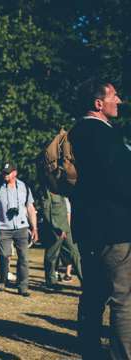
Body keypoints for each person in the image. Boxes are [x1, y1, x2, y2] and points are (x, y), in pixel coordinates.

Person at [69, 81, 129, 359]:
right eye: (114, 96)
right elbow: (121, 182)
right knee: (123, 300)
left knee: (93, 296)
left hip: (87, 229)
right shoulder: (104, 136)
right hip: (115, 230)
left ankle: (90, 353)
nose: (119, 100)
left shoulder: (75, 133)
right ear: (98, 104)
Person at [0, 162, 38, 296]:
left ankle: (23, 286)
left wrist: (35, 228)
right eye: (4, 172)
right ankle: (3, 280)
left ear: (15, 173)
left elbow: (30, 208)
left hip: (22, 227)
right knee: (4, 255)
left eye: (8, 172)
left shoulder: (24, 187)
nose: (5, 174)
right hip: (4, 228)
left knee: (24, 258)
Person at [41, 189, 82, 291]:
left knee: (75, 253)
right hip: (56, 230)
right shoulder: (47, 192)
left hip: (67, 228)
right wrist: (57, 228)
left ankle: (85, 281)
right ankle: (51, 282)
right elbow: (47, 213)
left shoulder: (63, 189)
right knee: (52, 256)